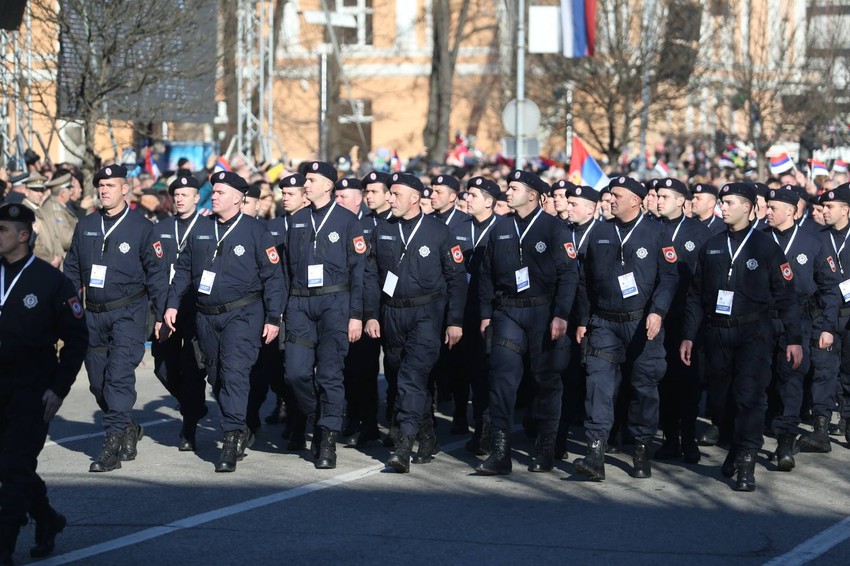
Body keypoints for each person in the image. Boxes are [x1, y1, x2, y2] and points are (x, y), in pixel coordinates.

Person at [681, 182, 803, 491]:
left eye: (729, 202)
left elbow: (786, 295)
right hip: (717, 333)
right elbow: (695, 294)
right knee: (721, 400)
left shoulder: (765, 247)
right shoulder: (712, 245)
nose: (723, 207)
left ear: (748, 207)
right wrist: (689, 335)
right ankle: (735, 445)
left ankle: (747, 460)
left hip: (753, 333)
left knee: (749, 396)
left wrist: (794, 338)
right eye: (721, 202)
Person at [164, 171, 285, 472]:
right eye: (213, 191)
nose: (214, 196)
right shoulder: (201, 228)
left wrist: (273, 317)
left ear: (237, 198)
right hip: (206, 316)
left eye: (220, 192)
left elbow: (273, 277)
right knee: (216, 377)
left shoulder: (256, 230)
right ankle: (238, 424)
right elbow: (183, 269)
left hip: (242, 315)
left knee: (234, 373)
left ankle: (231, 438)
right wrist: (172, 303)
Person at [572, 176, 678, 481]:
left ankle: (641, 447)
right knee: (598, 385)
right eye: (609, 195)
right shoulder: (600, 231)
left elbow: (669, 278)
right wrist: (583, 319)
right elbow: (585, 279)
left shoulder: (657, 232)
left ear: (635, 200)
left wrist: (657, 311)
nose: (610, 200)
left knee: (644, 385)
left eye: (617, 195)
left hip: (641, 322)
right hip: (604, 322)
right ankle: (595, 452)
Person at [64, 164, 168, 472]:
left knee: (119, 378)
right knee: (98, 384)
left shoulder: (142, 227)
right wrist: (69, 308)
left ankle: (111, 445)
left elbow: (157, 274)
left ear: (125, 189)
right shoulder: (86, 225)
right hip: (93, 314)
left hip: (128, 313)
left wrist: (162, 313)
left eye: (111, 185)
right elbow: (72, 269)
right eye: (101, 185)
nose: (104, 190)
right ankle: (128, 427)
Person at [475, 170, 578, 476]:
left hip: (543, 312)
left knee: (547, 380)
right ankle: (500, 453)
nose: (507, 192)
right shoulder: (500, 227)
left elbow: (569, 274)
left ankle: (545, 449)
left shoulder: (554, 228)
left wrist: (561, 314)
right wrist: (485, 314)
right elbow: (486, 274)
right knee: (501, 379)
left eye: (514, 188)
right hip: (508, 312)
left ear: (532, 195)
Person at [0, 203, 88, 563]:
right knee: (10, 465)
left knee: (15, 465)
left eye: (3, 229)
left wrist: (59, 387)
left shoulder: (51, 281)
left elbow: (77, 338)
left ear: (23, 235)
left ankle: (5, 544)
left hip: (33, 386)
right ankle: (48, 519)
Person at [363, 172, 468, 473]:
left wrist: (455, 320)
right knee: (400, 377)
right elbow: (371, 275)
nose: (390, 198)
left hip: (427, 314)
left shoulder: (439, 232)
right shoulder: (383, 229)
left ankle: (403, 445)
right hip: (392, 314)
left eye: (395, 194)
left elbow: (456, 278)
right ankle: (427, 434)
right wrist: (371, 314)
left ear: (414, 198)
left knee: (412, 376)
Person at [284, 161, 365, 470]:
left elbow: (359, 272)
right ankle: (319, 414)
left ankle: (327, 436)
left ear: (328, 186)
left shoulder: (348, 221)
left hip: (335, 302)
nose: (305, 184)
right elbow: (287, 268)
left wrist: (356, 314)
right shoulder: (297, 220)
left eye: (311, 180)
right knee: (295, 373)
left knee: (330, 374)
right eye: (305, 179)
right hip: (300, 303)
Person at [764, 186, 839, 469]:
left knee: (791, 378)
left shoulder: (813, 242)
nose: (767, 212)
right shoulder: (759, 239)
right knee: (758, 378)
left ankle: (785, 440)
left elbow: (830, 288)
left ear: (791, 211)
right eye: (767, 206)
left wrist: (827, 326)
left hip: (797, 320)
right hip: (761, 320)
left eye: (773, 208)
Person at [653, 178, 712, 463]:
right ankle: (669, 439)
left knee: (688, 380)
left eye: (664, 196)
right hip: (657, 316)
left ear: (680, 201)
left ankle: (689, 438)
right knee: (663, 378)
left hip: (688, 316)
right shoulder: (650, 228)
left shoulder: (699, 232)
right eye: (657, 196)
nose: (658, 201)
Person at [150, 175, 208, 452]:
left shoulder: (208, 227)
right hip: (166, 308)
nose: (180, 199)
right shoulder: (161, 229)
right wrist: (158, 313)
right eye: (177, 195)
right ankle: (192, 404)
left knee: (193, 368)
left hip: (196, 308)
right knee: (163, 368)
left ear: (197, 198)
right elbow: (154, 272)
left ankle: (189, 428)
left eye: (186, 194)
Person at [554, 182, 600, 459]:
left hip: (593, 315)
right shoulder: (562, 231)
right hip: (565, 314)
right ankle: (558, 437)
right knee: (564, 375)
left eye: (574, 204)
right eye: (567, 202)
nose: (568, 207)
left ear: (591, 209)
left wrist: (585, 318)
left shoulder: (602, 234)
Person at [459, 177, 502, 455]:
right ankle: (477, 427)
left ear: (489, 202)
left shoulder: (502, 229)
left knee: (490, 372)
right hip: (464, 309)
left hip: (492, 311)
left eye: (473, 195)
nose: (467, 199)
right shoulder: (458, 228)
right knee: (471, 371)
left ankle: (489, 430)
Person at [808, 185, 850, 449]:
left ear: (846, 210)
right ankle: (820, 428)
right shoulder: (817, 239)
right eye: (823, 206)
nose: (824, 211)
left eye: (830, 207)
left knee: (848, 371)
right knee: (823, 371)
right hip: (824, 315)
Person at [21, 175, 63, 268]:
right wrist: (50, 259)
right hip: (39, 264)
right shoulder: (23, 212)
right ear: (26, 191)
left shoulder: (43, 211)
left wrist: (59, 255)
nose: (40, 194)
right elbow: (34, 243)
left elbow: (55, 236)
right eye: (35, 190)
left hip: (53, 263)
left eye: (41, 190)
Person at [42, 173, 79, 259]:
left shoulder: (56, 205)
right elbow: (66, 240)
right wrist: (84, 239)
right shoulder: (56, 211)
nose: (71, 192)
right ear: (62, 193)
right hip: (63, 259)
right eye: (69, 189)